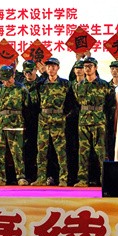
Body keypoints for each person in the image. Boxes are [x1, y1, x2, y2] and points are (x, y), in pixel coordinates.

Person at [31, 57, 74, 186]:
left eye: (53, 66)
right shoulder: (40, 84)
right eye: (48, 66)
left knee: (61, 151)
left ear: (58, 68)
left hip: (58, 120)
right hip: (43, 120)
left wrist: (64, 116)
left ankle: (63, 178)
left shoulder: (65, 84)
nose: (51, 69)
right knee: (42, 150)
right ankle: (41, 178)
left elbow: (71, 102)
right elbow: (35, 102)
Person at [72, 57, 113, 187]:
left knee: (101, 152)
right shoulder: (78, 86)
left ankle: (105, 179)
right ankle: (82, 179)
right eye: (85, 66)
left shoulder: (104, 85)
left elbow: (110, 103)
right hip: (83, 121)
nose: (87, 68)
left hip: (99, 121)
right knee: (83, 151)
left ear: (95, 67)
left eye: (90, 66)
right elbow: (76, 103)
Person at [0, 65, 30, 186]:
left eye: (8, 78)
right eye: (3, 79)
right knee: (0, 151)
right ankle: (0, 177)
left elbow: (28, 106)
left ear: (13, 76)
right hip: (2, 124)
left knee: (17, 151)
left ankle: (21, 177)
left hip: (17, 123)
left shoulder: (21, 89)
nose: (6, 82)